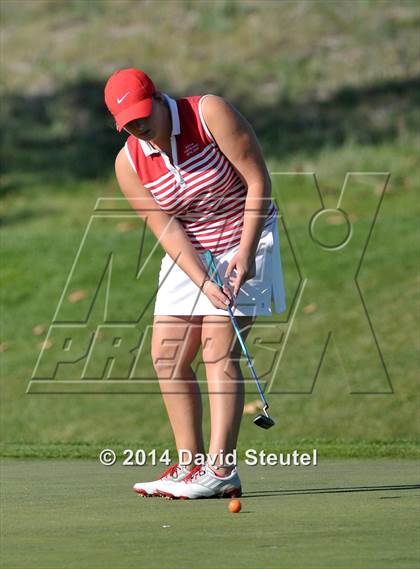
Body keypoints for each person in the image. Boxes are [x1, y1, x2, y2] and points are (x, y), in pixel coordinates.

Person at [104, 68, 286, 499]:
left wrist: (244, 253)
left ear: (160, 99)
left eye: (142, 115)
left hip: (247, 233)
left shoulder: (209, 114)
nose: (138, 127)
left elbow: (258, 179)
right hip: (191, 251)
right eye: (127, 122)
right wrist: (203, 281)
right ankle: (190, 466)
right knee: (166, 356)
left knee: (218, 349)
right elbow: (166, 229)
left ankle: (222, 470)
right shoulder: (128, 161)